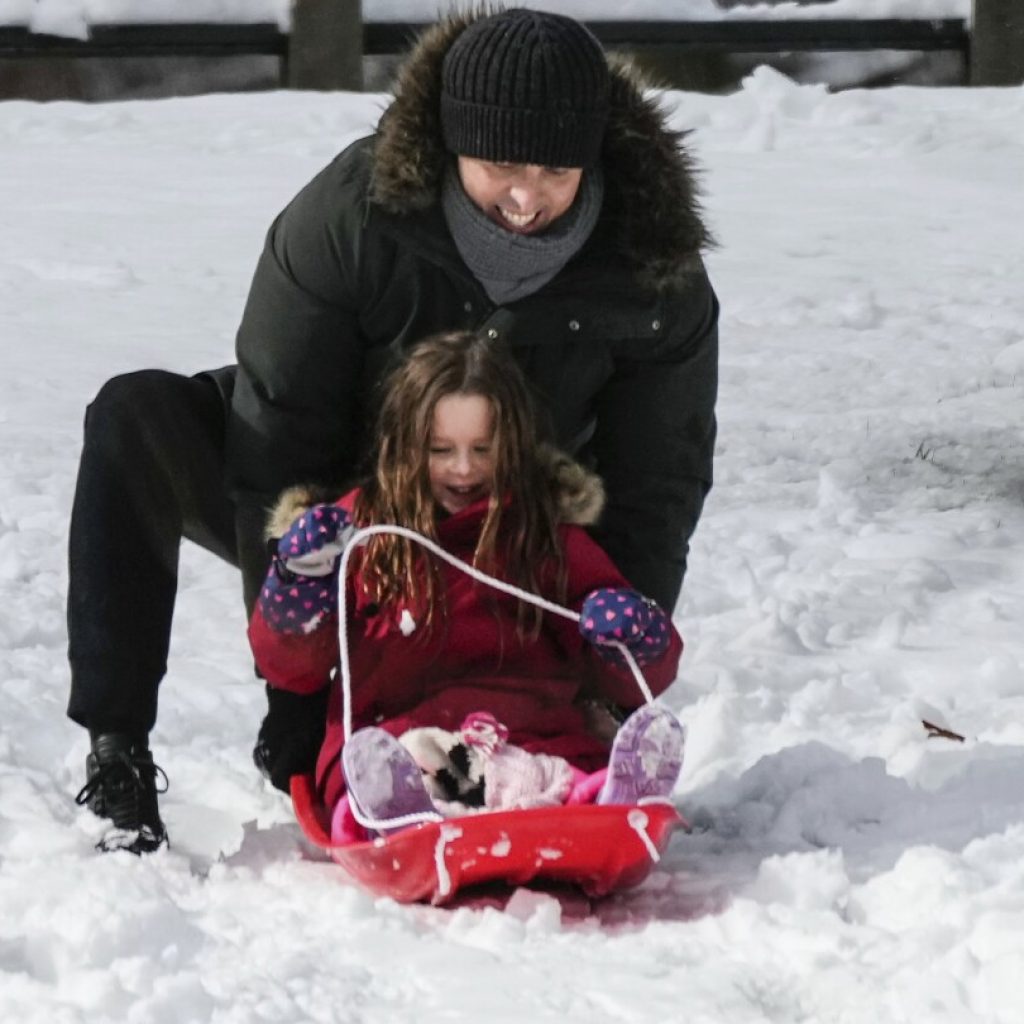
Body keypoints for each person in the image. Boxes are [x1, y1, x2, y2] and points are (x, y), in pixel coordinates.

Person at [67, 7, 717, 853]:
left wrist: (618, 674)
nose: (527, 198)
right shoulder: (352, 215)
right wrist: (294, 695)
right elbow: (281, 433)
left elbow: (659, 478)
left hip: (511, 519)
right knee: (134, 417)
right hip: (336, 492)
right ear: (452, 149)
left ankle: (545, 768)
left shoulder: (653, 263)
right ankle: (117, 752)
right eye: (500, 167)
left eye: (557, 170)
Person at [246, 332, 685, 838]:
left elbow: (634, 679)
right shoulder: (362, 533)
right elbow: (289, 669)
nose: (463, 468)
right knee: (399, 766)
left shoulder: (545, 536)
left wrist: (634, 638)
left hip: (532, 737)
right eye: (440, 449)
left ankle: (609, 803)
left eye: (483, 449)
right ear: (403, 446)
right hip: (401, 738)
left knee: (557, 774)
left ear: (514, 446)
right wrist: (298, 588)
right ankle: (391, 817)